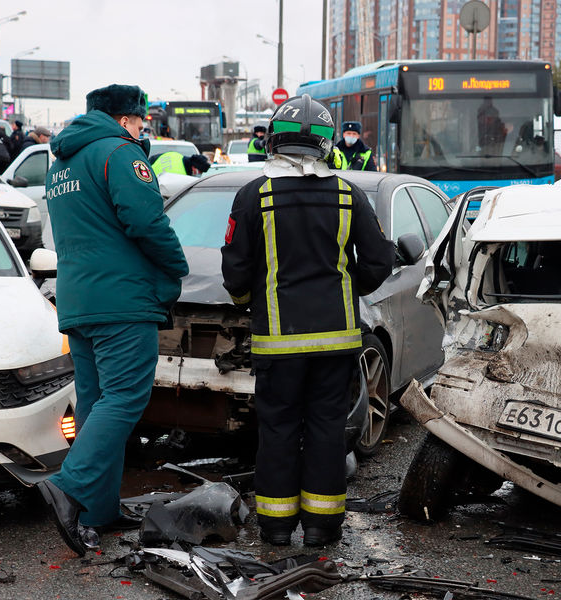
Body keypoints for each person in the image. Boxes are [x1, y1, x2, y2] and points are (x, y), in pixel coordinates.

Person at [221, 94, 394, 547]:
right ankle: (321, 528)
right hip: (337, 343)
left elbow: (235, 274)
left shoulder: (252, 195)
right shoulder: (347, 194)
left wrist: (249, 298)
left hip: (277, 345)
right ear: (326, 143)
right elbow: (378, 262)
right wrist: (344, 287)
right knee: (326, 429)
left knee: (278, 429)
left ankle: (276, 528)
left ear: (273, 140)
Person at [35, 83, 189, 557]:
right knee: (124, 398)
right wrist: (178, 265)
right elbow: (147, 221)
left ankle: (99, 510)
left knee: (96, 401)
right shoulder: (120, 154)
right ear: (125, 119)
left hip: (79, 298)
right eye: (140, 120)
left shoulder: (60, 161)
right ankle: (70, 486)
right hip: (122, 300)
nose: (143, 127)